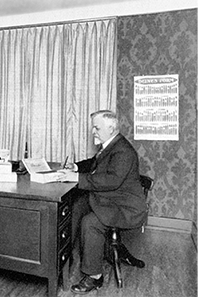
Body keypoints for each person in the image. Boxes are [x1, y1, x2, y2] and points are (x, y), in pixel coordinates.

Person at [56, 110, 147, 294]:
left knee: (90, 223)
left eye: (96, 128)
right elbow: (96, 163)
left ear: (111, 128)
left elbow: (111, 180)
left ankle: (94, 276)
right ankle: (63, 260)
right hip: (113, 200)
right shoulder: (111, 145)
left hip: (125, 208)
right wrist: (76, 167)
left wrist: (76, 178)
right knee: (77, 205)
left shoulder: (123, 151)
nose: (93, 132)